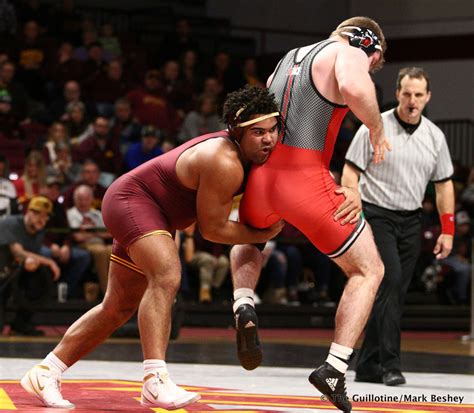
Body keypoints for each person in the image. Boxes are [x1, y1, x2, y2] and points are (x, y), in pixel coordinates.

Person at [20, 86, 284, 409]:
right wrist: (260, 234)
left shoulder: (245, 156)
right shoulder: (224, 160)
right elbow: (212, 230)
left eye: (272, 130)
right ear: (236, 131)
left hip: (150, 212)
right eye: (258, 133)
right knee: (167, 274)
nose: (268, 139)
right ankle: (154, 380)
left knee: (117, 307)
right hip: (133, 202)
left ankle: (47, 370)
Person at [229, 17, 390, 413]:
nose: (368, 70)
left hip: (261, 176)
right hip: (304, 177)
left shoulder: (286, 58)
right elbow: (354, 87)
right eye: (374, 65)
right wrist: (376, 127)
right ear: (372, 49)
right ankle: (334, 368)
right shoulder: (348, 52)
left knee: (254, 236)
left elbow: (257, 117)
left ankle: (243, 302)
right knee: (368, 271)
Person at [342, 67, 455, 387]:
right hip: (376, 216)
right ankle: (390, 364)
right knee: (389, 280)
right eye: (406, 93)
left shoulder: (434, 136)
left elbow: (444, 185)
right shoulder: (374, 127)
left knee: (394, 293)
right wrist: (354, 210)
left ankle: (366, 363)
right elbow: (350, 172)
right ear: (397, 94)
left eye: (419, 95)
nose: (412, 100)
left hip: (411, 220)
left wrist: (448, 229)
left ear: (428, 97)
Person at [0, 196, 60, 335]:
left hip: (12, 272)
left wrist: (34, 263)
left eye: (45, 217)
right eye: (38, 214)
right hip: (3, 271)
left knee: (40, 275)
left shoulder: (39, 231)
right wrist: (50, 262)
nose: (42, 219)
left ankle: (21, 322)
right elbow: (18, 253)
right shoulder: (10, 223)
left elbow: (27, 258)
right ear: (29, 212)